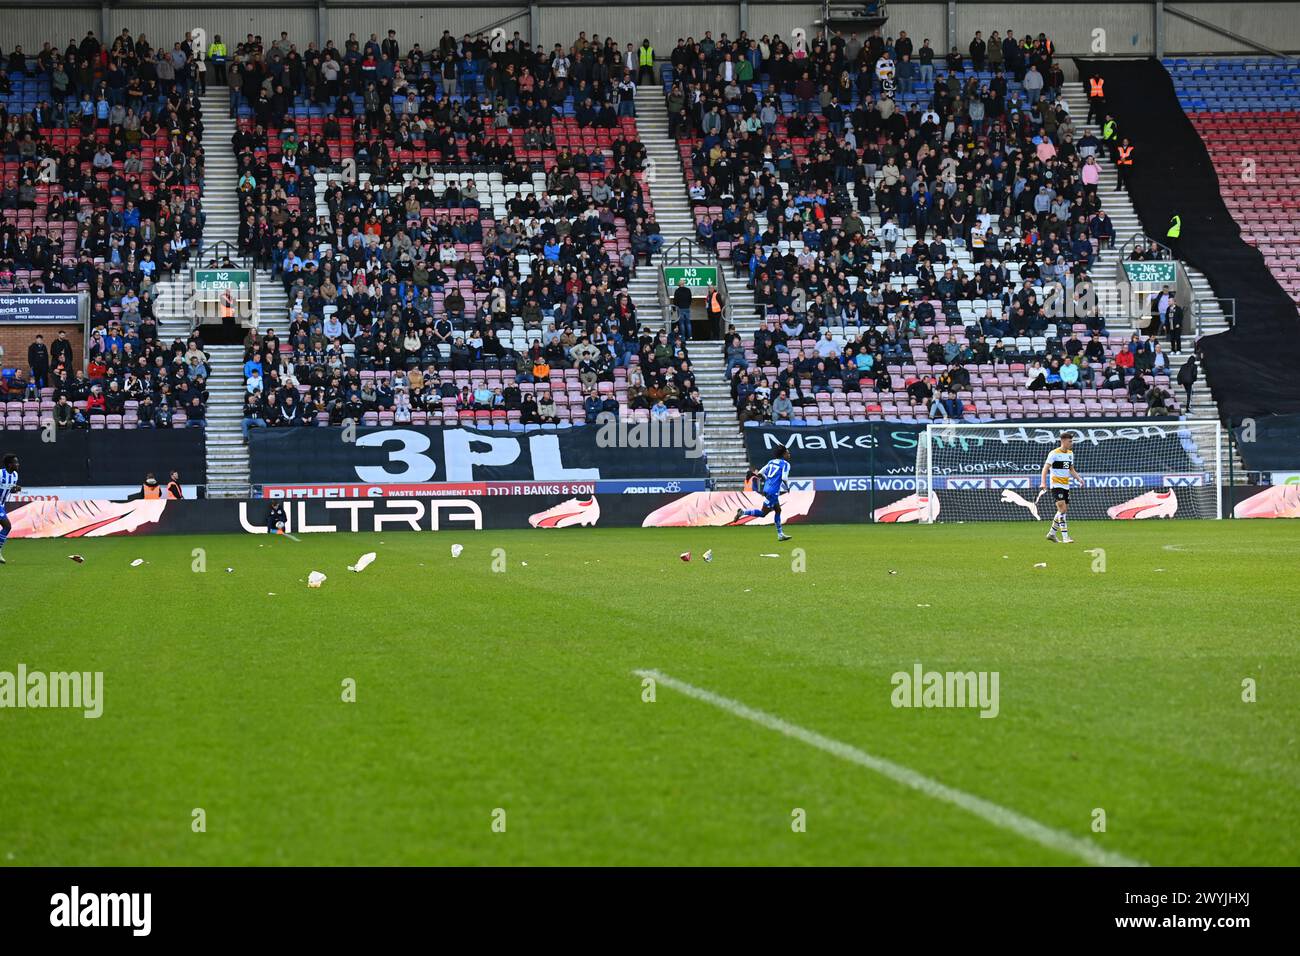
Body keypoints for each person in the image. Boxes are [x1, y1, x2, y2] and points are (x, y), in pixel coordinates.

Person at [734, 443, 794, 542]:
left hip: (767, 489)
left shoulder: (771, 462)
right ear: (783, 454)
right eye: (788, 452)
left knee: (778, 510)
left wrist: (769, 480)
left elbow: (761, 473)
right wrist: (787, 487)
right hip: (773, 492)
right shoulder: (786, 464)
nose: (789, 454)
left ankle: (780, 534)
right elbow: (784, 478)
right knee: (763, 513)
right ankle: (743, 512)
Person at [1041, 431, 1083, 544]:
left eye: (1072, 441)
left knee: (1062, 511)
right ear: (1063, 441)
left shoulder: (1070, 453)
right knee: (1063, 510)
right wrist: (1043, 483)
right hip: (1056, 485)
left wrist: (1079, 478)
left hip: (1066, 485)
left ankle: (1051, 534)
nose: (1071, 443)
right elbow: (1045, 469)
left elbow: (1071, 469)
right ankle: (1065, 537)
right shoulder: (1053, 453)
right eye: (1070, 441)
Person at [0, 453, 19, 564]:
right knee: (7, 526)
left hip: (2, 505)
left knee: (6, 527)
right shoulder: (0, 474)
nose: (18, 464)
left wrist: (15, 489)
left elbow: (10, 490)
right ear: (9, 464)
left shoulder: (15, 475)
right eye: (15, 462)